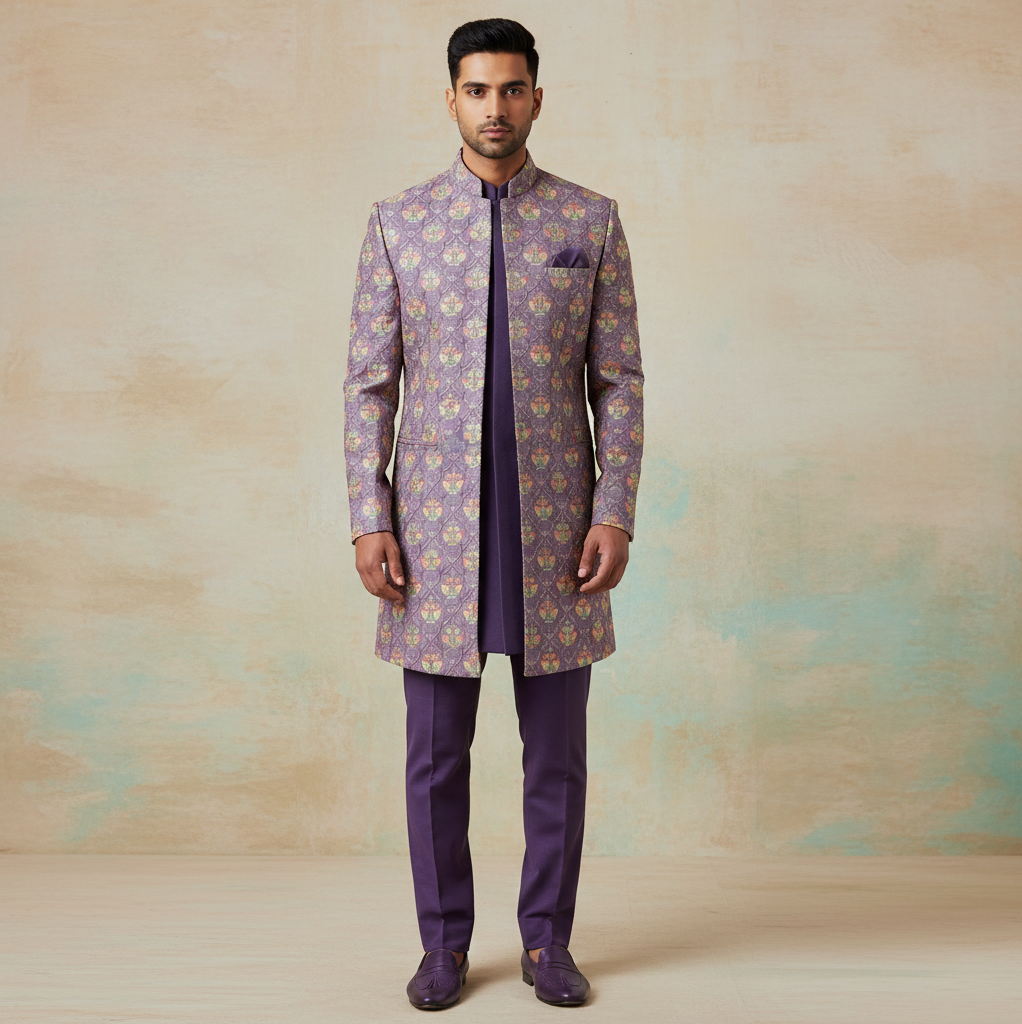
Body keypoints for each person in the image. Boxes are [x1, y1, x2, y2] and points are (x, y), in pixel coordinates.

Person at [343, 18, 644, 1010]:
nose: (495, 107)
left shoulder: (590, 221)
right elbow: (368, 386)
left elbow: (619, 381)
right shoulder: (399, 223)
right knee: (435, 760)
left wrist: (614, 510)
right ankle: (443, 947)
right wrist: (369, 515)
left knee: (556, 758)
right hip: (433, 535)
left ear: (536, 99)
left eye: (512, 89)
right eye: (477, 90)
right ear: (452, 100)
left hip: (557, 532)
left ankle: (547, 944)